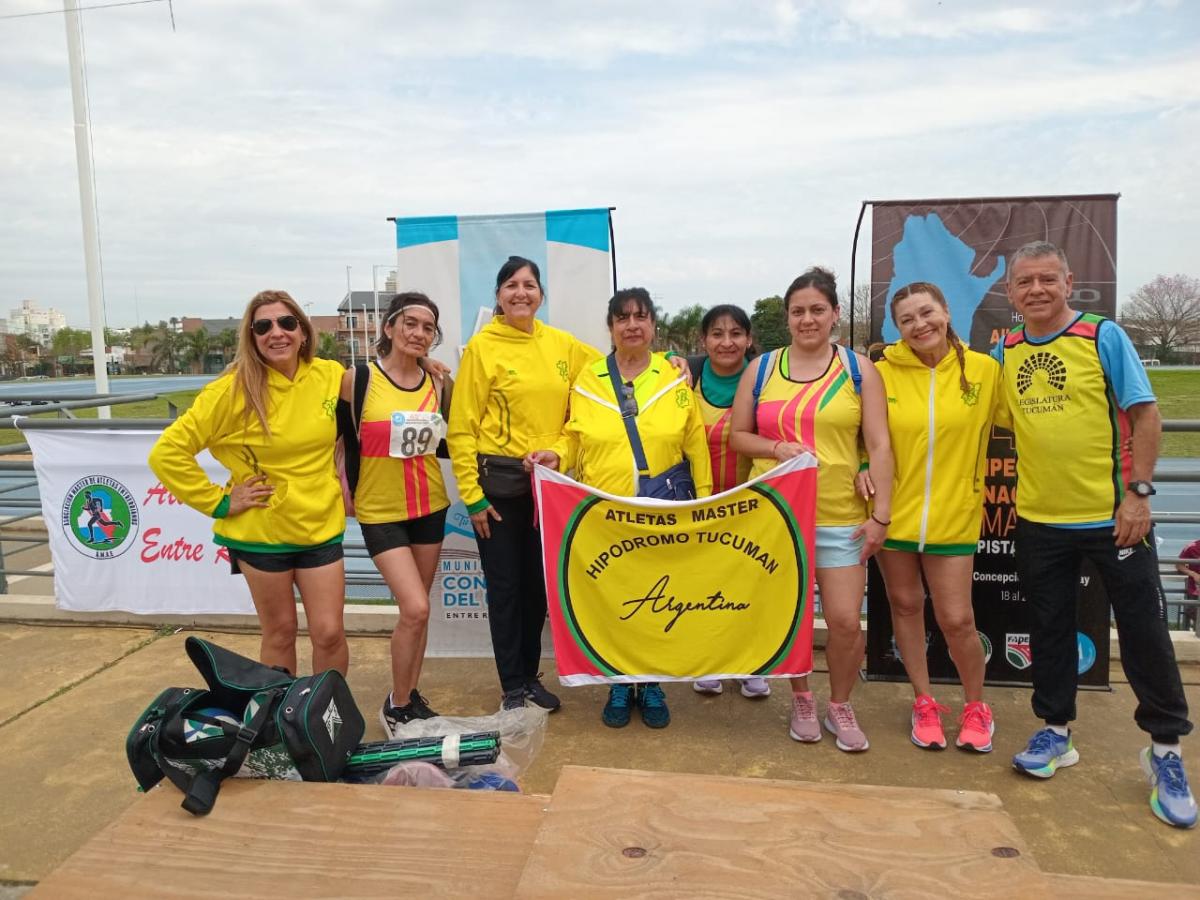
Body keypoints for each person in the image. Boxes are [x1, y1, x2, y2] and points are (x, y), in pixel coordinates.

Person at [996, 240, 1195, 829]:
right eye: (1024, 282)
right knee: (1050, 630)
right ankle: (1056, 732)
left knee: (1144, 634)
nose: (1036, 290)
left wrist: (1138, 494)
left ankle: (1165, 751)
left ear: (1068, 281)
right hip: (1039, 520)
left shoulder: (1102, 335)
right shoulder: (1005, 349)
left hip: (1114, 519)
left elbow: (1146, 413)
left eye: (1047, 279)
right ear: (1010, 292)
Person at [530, 287, 712, 729]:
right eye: (623, 318)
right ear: (610, 327)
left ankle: (650, 683)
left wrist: (704, 501)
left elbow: (695, 444)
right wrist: (556, 455)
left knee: (657, 600)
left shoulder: (674, 376)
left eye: (641, 316)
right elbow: (574, 437)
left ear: (653, 325)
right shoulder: (588, 378)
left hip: (661, 508)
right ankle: (617, 680)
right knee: (613, 601)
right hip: (604, 512)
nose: (632, 325)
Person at [729, 267, 893, 752]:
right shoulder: (761, 369)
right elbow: (738, 436)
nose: (807, 319)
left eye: (817, 309)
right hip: (776, 517)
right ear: (786, 317)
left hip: (840, 514)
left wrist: (881, 515)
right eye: (798, 311)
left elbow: (879, 445)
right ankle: (801, 697)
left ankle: (840, 703)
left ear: (835, 313)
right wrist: (776, 448)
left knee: (845, 621)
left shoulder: (859, 370)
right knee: (792, 617)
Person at [149, 290, 348, 675]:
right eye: (263, 326)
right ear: (252, 337)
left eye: (287, 323)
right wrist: (220, 502)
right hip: (261, 534)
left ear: (303, 332)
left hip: (321, 526)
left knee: (329, 633)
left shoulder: (330, 375)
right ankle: (279, 710)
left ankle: (327, 708)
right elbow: (166, 453)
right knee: (281, 632)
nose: (277, 332)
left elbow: (382, 387)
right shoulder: (231, 389)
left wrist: (424, 364)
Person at [872, 282, 1002, 752]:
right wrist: (865, 470)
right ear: (897, 328)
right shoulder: (880, 374)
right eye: (907, 319)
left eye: (927, 313)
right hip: (893, 517)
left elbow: (1025, 423)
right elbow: (862, 435)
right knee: (905, 606)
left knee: (957, 619)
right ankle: (923, 701)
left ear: (946, 312)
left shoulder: (985, 371)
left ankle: (976, 706)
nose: (920, 325)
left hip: (954, 515)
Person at [341, 292, 451, 735]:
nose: (418, 333)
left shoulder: (438, 383)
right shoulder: (358, 379)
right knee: (416, 606)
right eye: (410, 323)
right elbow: (338, 438)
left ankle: (409, 695)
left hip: (430, 506)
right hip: (380, 510)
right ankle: (397, 706)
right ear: (388, 327)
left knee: (418, 613)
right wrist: (342, 486)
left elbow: (450, 441)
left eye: (428, 328)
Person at [688, 304, 772, 700]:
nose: (727, 342)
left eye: (736, 333)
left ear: (749, 339)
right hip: (697, 503)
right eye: (717, 334)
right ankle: (709, 660)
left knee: (749, 583)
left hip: (750, 503)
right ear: (703, 340)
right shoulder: (685, 377)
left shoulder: (765, 380)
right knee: (705, 585)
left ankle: (752, 663)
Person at [1176, 538, 1200, 630]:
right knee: (1195, 615)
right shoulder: (1192, 547)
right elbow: (1179, 565)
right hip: (1195, 591)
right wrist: (1193, 574)